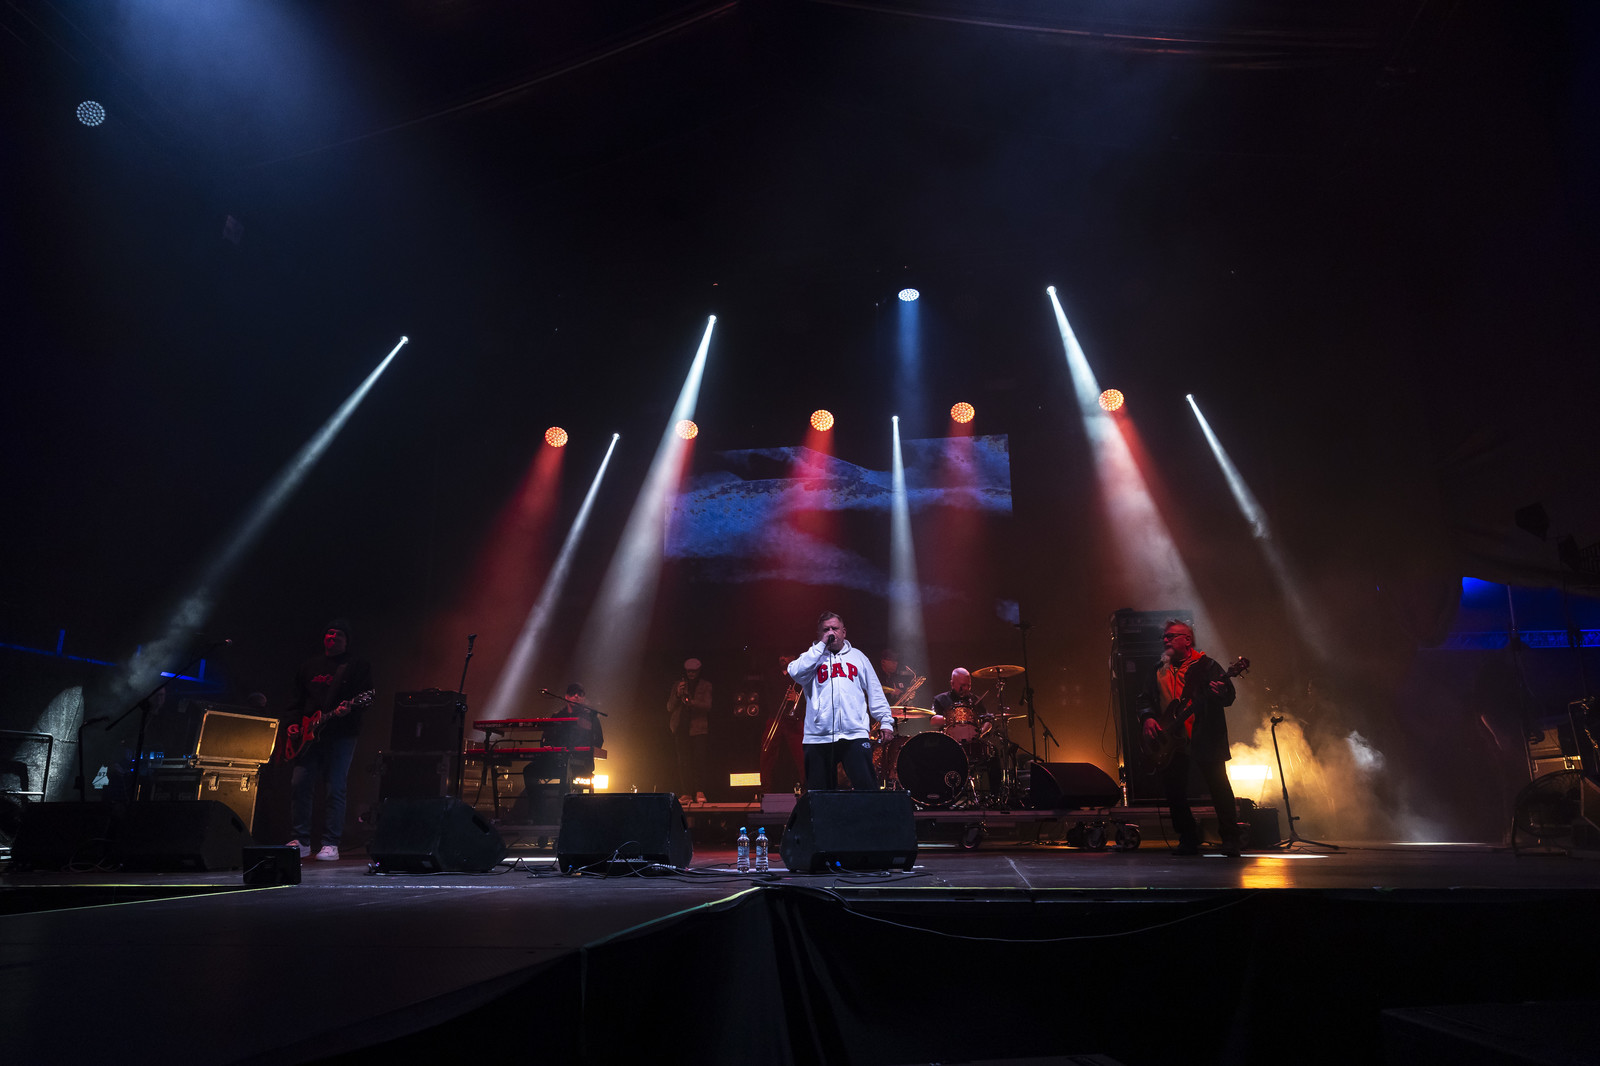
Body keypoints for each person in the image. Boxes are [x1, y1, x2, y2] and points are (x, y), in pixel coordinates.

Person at [1140, 620, 1242, 857]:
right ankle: (1188, 838)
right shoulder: (1158, 669)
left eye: (1171, 636)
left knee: (1218, 787)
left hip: (1205, 737)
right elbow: (1143, 698)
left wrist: (1222, 691)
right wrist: (1147, 718)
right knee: (1174, 791)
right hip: (1171, 740)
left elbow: (1228, 697)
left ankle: (1230, 838)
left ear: (1187, 640)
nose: (1165, 640)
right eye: (1164, 636)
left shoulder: (1207, 666)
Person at [284, 619, 373, 862]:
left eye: (339, 634)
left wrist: (349, 709)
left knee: (335, 787)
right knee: (300, 784)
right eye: (330, 633)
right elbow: (296, 699)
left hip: (341, 734)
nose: (333, 637)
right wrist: (293, 723)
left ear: (347, 640)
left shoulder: (356, 666)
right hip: (308, 735)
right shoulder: (309, 666)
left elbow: (366, 697)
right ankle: (300, 840)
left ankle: (330, 843)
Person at [786, 611, 894, 792]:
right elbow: (795, 673)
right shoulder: (810, 658)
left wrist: (885, 721)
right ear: (819, 634)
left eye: (835, 628)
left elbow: (875, 691)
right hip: (818, 737)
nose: (831, 633)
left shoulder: (858, 657)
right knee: (819, 796)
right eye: (825, 630)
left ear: (844, 632)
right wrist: (820, 647)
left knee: (867, 791)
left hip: (854, 734)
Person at [667, 658, 712, 804]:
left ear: (698, 671)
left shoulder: (705, 685)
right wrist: (677, 694)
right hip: (681, 727)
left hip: (698, 728)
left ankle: (700, 791)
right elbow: (669, 707)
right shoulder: (678, 685)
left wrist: (691, 702)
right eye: (688, 671)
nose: (691, 674)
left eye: (693, 671)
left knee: (699, 760)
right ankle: (686, 793)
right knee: (683, 762)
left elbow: (707, 705)